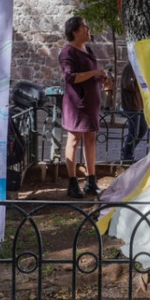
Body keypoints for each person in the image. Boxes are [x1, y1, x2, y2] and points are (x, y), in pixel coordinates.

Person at [58, 16, 107, 198]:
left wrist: (99, 78)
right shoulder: (67, 52)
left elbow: (88, 75)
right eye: (85, 27)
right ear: (75, 31)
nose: (88, 29)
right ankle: (72, 184)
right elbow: (70, 77)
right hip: (76, 104)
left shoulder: (88, 49)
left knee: (91, 139)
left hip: (90, 103)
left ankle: (91, 182)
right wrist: (94, 72)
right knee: (74, 140)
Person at [119, 63, 147, 162]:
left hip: (140, 105)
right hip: (131, 105)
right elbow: (128, 85)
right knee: (133, 131)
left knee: (143, 129)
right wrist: (142, 85)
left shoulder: (138, 67)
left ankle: (127, 150)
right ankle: (127, 155)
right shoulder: (130, 67)